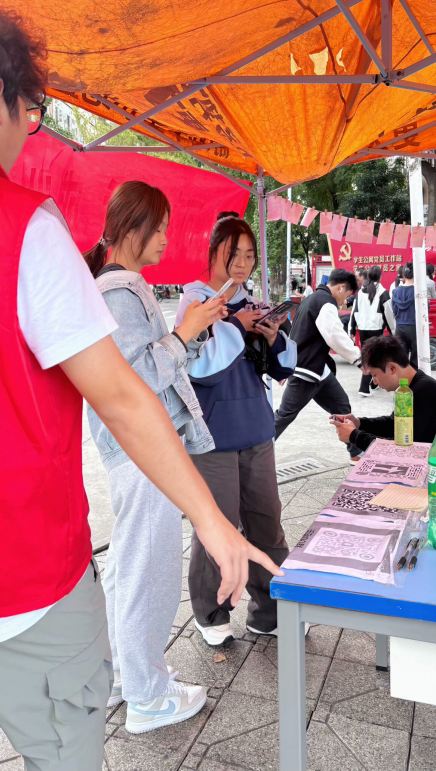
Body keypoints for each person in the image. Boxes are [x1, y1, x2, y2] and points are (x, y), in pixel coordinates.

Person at [0, 0, 281, 771]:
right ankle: (142, 688)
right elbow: (123, 391)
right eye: (31, 112)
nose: (27, 131)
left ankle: (141, 683)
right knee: (140, 582)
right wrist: (213, 519)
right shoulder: (22, 227)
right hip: (22, 573)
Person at [83, 182, 227, 731]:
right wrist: (186, 332)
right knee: (149, 568)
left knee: (130, 564)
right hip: (144, 449)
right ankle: (146, 695)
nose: (167, 238)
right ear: (131, 227)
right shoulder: (119, 291)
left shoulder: (117, 287)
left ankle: (125, 672)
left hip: (137, 449)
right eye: (159, 227)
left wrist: (192, 331)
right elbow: (137, 380)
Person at [177, 215, 297, 645]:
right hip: (212, 436)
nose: (243, 263)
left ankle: (270, 611)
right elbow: (199, 367)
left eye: (249, 255)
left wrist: (273, 335)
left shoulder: (252, 302)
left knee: (267, 523)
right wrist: (235, 326)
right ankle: (210, 613)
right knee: (218, 525)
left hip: (256, 429)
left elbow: (284, 369)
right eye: (234, 254)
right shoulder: (195, 302)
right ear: (213, 253)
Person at [274, 269, 363, 461]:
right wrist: (358, 359)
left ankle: (356, 452)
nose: (344, 302)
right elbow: (335, 335)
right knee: (284, 416)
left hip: (318, 370)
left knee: (341, 406)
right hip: (305, 370)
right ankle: (253, 451)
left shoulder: (312, 298)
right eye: (347, 296)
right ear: (341, 288)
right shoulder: (325, 302)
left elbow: (295, 334)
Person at [331, 336, 436, 449]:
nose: (375, 382)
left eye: (374, 375)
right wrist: (359, 423)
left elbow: (402, 449)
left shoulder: (421, 391)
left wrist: (355, 436)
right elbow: (395, 424)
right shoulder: (411, 386)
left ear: (392, 368)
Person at [349, 266, 392, 396]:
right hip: (376, 328)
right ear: (380, 277)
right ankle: (364, 387)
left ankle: (373, 383)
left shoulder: (360, 292)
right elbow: (388, 314)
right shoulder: (383, 292)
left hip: (362, 329)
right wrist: (392, 330)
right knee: (373, 357)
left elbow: (354, 311)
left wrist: (351, 328)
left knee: (368, 356)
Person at [392, 261, 418, 369]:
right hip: (413, 326)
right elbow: (426, 308)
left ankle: (402, 378)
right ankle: (414, 378)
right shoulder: (418, 291)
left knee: (401, 360)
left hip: (400, 326)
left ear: (404, 275)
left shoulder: (396, 291)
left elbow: (394, 309)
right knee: (415, 359)